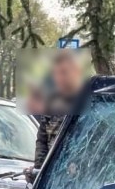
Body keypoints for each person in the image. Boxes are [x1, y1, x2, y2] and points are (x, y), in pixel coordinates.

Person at [31, 50, 84, 178]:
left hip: (76, 174)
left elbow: (88, 141)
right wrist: (39, 169)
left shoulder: (85, 103)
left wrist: (77, 164)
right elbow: (42, 140)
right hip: (51, 175)